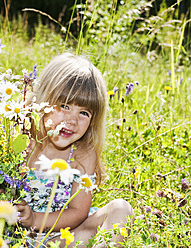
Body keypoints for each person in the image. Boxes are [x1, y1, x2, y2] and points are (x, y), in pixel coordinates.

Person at [16, 53, 133, 247]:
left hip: (59, 240)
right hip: (10, 238)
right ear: (43, 99)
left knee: (121, 208)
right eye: (64, 106)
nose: (72, 120)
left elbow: (78, 213)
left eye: (84, 113)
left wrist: (35, 220)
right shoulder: (22, 141)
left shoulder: (82, 153)